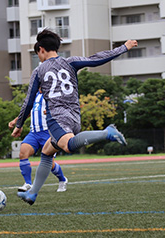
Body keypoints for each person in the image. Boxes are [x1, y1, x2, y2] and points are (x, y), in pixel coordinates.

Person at [12, 29, 138, 205]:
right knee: (47, 152)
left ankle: (106, 132)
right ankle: (32, 193)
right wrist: (123, 47)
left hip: (56, 118)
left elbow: (29, 102)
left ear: (41, 49)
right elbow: (97, 58)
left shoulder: (39, 71)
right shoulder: (71, 62)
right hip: (74, 116)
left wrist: (19, 124)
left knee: (69, 146)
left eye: (37, 54)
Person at [8, 91, 68, 192]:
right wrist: (16, 121)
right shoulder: (35, 95)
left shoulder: (52, 93)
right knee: (23, 153)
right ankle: (28, 183)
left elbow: (63, 109)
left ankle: (62, 179)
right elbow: (28, 111)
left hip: (48, 133)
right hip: (34, 133)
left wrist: (52, 112)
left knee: (50, 163)